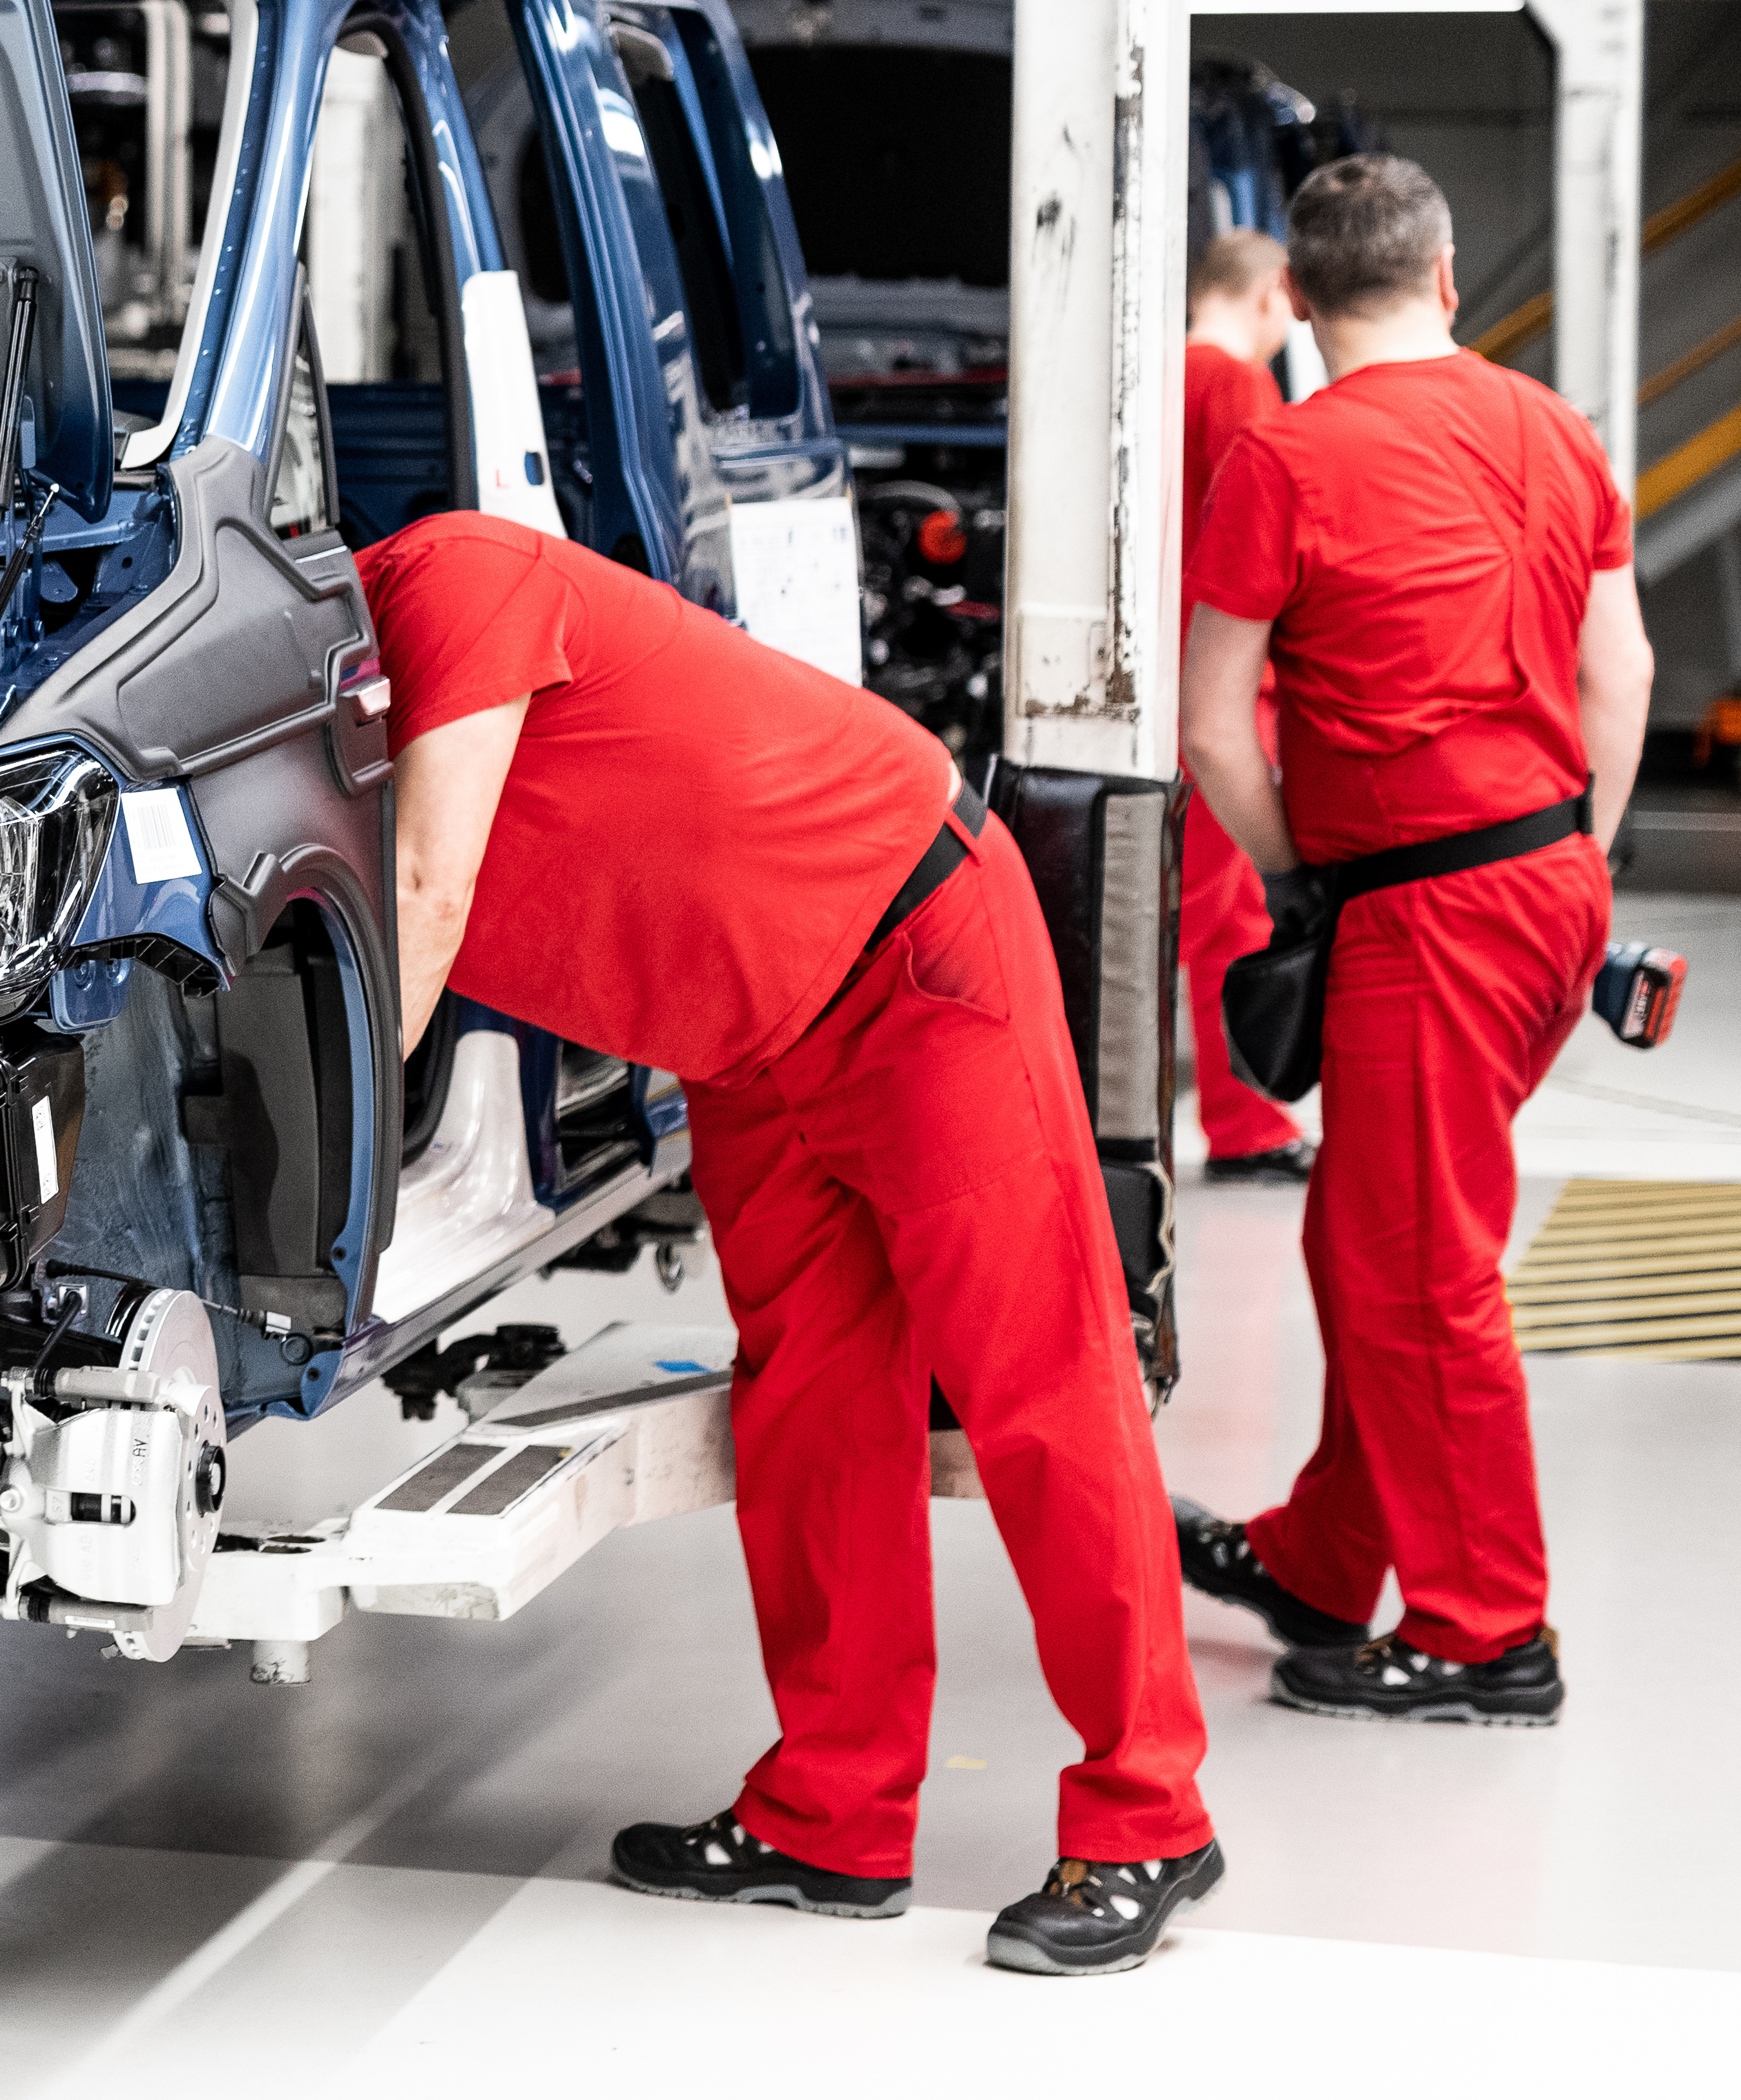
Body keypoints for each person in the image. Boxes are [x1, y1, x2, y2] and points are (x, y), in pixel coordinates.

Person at [365, 510, 1219, 1978]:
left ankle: (1152, 1813)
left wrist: (327, 1163)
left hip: (909, 951)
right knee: (813, 1408)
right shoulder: (324, 744)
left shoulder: (452, 577)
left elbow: (427, 895)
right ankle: (833, 1819)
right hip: (747, 1042)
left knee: (1041, 1385)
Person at [1173, 155, 1648, 1726]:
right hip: (1548, 887)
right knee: (1372, 1234)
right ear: (1447, 278)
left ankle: (1484, 1635)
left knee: (1420, 1271)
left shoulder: (1287, 458)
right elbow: (1625, 675)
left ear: (1300, 301)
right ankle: (1324, 1561)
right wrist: (1578, 859)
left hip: (1424, 908)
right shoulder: (1556, 427)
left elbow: (1213, 726)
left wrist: (1295, 880)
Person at [1181, 231, 1309, 1185]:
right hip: (1225, 684)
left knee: (1181, 917)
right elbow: (1268, 536)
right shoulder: (1236, 386)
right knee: (1223, 918)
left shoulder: (1151, 378)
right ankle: (1243, 1125)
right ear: (1272, 294)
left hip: (1158, 680)